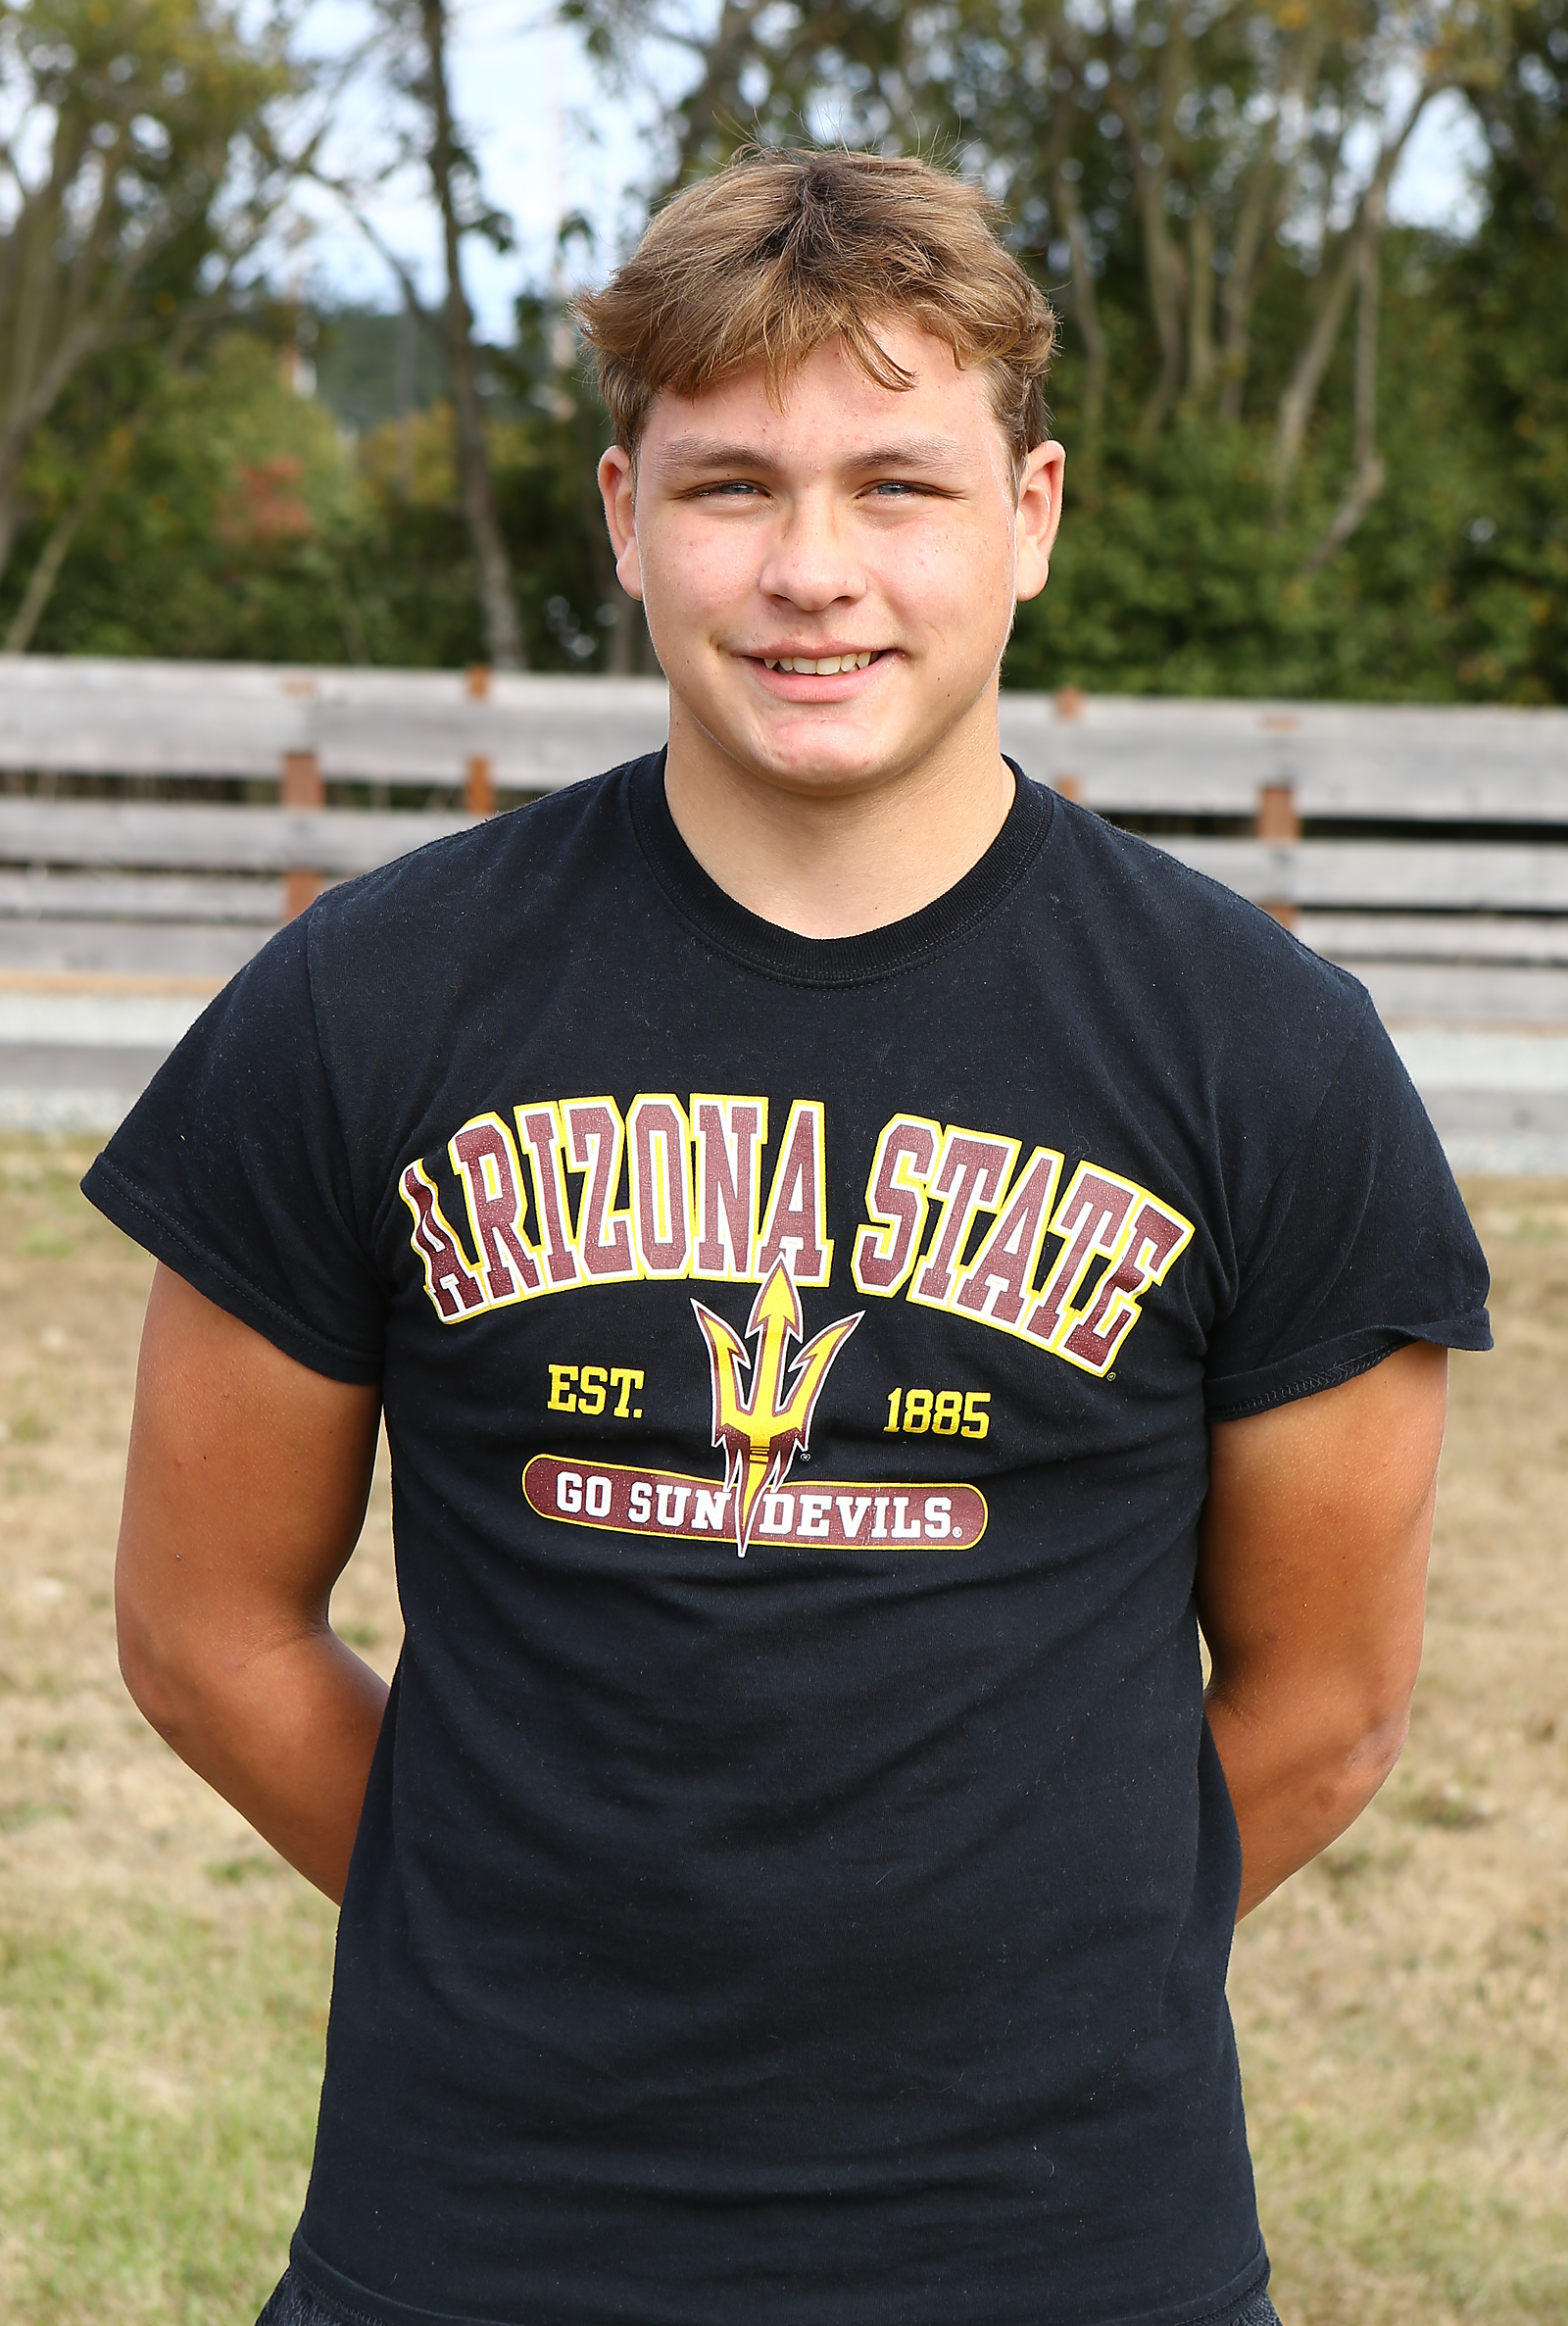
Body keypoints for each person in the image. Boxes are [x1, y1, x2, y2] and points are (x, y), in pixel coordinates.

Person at [89, 148, 1490, 2326]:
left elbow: (1326, 1708)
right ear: (622, 515)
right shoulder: (367, 1006)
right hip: (477, 2240)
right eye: (730, 485)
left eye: (897, 487)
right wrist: (525, 1945)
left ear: (1030, 515)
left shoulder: (1263, 1056)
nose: (810, 571)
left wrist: (998, 1987)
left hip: (1063, 2249)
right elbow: (205, 1633)